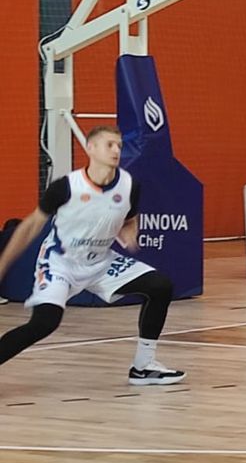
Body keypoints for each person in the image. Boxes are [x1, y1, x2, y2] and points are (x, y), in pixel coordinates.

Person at [0, 126, 185, 385]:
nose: (116, 150)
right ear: (90, 149)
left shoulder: (129, 186)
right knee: (45, 323)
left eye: (119, 145)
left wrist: (129, 232)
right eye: (109, 145)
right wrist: (3, 264)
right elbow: (30, 226)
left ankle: (143, 367)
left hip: (99, 261)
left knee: (160, 286)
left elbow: (130, 219)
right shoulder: (65, 187)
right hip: (60, 263)